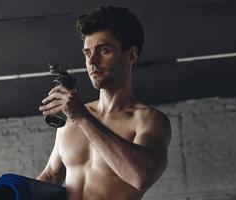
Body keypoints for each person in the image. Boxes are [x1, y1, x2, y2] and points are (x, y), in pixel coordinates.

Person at [38, 6, 171, 200]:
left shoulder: (149, 120)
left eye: (103, 50)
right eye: (87, 52)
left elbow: (140, 176)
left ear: (131, 56)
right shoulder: (72, 117)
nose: (92, 61)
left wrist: (82, 118)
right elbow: (51, 176)